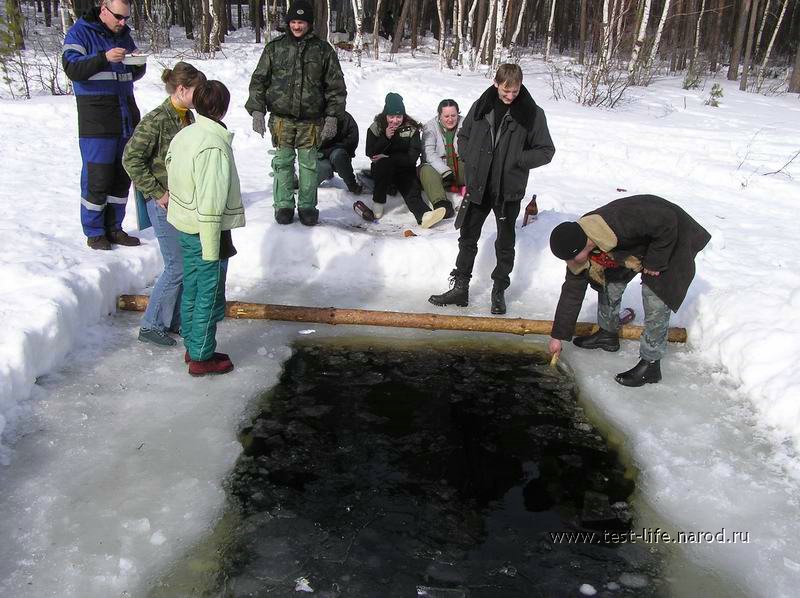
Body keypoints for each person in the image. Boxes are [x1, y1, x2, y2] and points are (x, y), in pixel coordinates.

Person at [429, 64, 555, 315]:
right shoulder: (482, 104)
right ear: (496, 83)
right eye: (506, 91)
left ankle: (499, 290)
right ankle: (460, 287)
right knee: (467, 236)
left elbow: (546, 151)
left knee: (505, 241)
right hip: (479, 184)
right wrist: (468, 156)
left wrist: (518, 159)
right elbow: (463, 136)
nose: (510, 96)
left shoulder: (532, 113)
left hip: (508, 187)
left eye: (515, 91)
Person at [547, 195, 711, 387]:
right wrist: (557, 336)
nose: (570, 263)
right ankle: (607, 335)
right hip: (639, 242)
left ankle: (650, 364)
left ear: (583, 246)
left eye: (572, 258)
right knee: (608, 278)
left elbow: (667, 219)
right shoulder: (579, 240)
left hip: (673, 236)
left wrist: (655, 261)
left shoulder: (620, 221)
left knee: (655, 294)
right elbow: (572, 292)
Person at [122, 62, 207, 347]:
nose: (202, 96)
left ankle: (173, 320)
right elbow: (130, 158)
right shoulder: (157, 119)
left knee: (186, 264)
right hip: (162, 205)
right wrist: (157, 192)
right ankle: (151, 324)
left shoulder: (187, 117)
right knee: (177, 266)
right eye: (199, 91)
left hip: (183, 205)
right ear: (182, 89)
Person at [166, 81, 246, 377]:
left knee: (194, 286)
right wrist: (212, 247)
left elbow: (170, 165)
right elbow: (211, 202)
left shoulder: (187, 134)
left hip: (187, 226)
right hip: (206, 230)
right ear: (223, 109)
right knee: (208, 292)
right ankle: (201, 356)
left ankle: (194, 344)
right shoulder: (213, 146)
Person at [245, 0, 347, 226]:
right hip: (281, 119)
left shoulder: (323, 50)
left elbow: (336, 87)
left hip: (311, 121)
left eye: (301, 22)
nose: (297, 26)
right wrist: (257, 110)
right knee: (282, 162)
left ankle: (308, 207)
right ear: (288, 22)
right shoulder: (275, 48)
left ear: (309, 24)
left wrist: (332, 116)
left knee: (309, 164)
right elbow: (259, 81)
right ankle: (283, 205)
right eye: (293, 21)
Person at [62, 0, 146, 250]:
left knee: (121, 177)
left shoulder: (124, 36)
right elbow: (72, 67)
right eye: (119, 17)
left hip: (125, 115)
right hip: (97, 118)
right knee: (98, 178)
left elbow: (134, 72)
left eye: (126, 18)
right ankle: (95, 231)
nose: (123, 23)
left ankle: (115, 228)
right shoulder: (80, 31)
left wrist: (136, 63)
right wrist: (103, 58)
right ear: (103, 9)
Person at [365, 92, 446, 229]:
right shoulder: (376, 127)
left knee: (411, 190)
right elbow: (370, 153)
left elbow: (412, 156)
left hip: (404, 169)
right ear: (386, 115)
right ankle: (378, 202)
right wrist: (385, 138)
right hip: (382, 172)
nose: (395, 120)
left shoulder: (411, 129)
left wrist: (391, 158)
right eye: (391, 116)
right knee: (384, 164)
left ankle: (425, 216)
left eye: (399, 116)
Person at [419, 99, 464, 219]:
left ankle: (474, 194)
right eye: (446, 116)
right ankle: (442, 205)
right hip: (438, 167)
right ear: (440, 115)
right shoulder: (430, 127)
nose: (450, 119)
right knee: (425, 169)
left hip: (458, 163)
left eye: (453, 115)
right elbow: (429, 153)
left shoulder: (465, 123)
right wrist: (445, 171)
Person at [317, 110, 361, 194]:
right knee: (312, 180)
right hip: (320, 156)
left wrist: (333, 149)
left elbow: (352, 140)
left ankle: (352, 185)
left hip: (339, 154)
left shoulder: (346, 118)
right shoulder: (317, 116)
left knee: (338, 155)